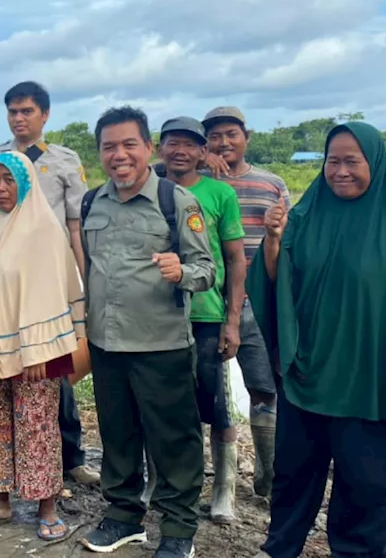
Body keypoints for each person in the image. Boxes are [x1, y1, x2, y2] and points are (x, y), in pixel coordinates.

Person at [249, 122, 386, 558]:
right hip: (307, 378)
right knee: (292, 478)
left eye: (352, 161)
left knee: (366, 485)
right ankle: (279, 550)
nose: (340, 171)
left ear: (375, 164)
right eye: (332, 161)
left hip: (371, 388)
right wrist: (272, 241)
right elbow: (274, 285)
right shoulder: (303, 217)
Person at [79, 106, 215, 558]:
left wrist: (182, 272)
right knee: (117, 435)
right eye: (109, 147)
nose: (119, 155)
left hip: (162, 345)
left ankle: (178, 529)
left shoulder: (177, 203)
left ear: (148, 148)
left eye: (128, 145)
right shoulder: (91, 202)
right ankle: (123, 516)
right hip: (106, 343)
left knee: (174, 440)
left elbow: (207, 269)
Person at [0, 81, 98, 487]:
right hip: (5, 275)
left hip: (47, 275)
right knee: (5, 374)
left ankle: (69, 456)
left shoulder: (62, 160)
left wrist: (80, 280)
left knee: (53, 374)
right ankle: (3, 474)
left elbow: (75, 225)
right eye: (13, 112)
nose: (19, 119)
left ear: (45, 115)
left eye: (27, 111)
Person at [0, 152, 82, 543]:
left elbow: (48, 292)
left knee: (38, 427)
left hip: (36, 353)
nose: (0, 188)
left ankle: (46, 505)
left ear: (26, 182)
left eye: (8, 180)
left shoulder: (42, 229)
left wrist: (37, 352)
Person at [157, 117, 246, 524]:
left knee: (216, 405)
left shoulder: (219, 193)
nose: (180, 151)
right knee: (159, 405)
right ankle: (160, 481)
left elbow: (234, 259)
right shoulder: (150, 189)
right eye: (172, 143)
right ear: (160, 149)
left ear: (201, 152)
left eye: (189, 145)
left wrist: (232, 321)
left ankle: (224, 488)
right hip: (157, 315)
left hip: (207, 314)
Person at [201, 106, 288, 498]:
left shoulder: (271, 184)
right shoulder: (189, 181)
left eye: (231, 134)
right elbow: (155, 165)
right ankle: (224, 486)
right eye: (215, 137)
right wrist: (199, 161)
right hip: (206, 303)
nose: (224, 143)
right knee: (216, 399)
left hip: (258, 303)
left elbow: (287, 240)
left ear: (246, 137)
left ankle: (268, 480)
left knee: (265, 390)